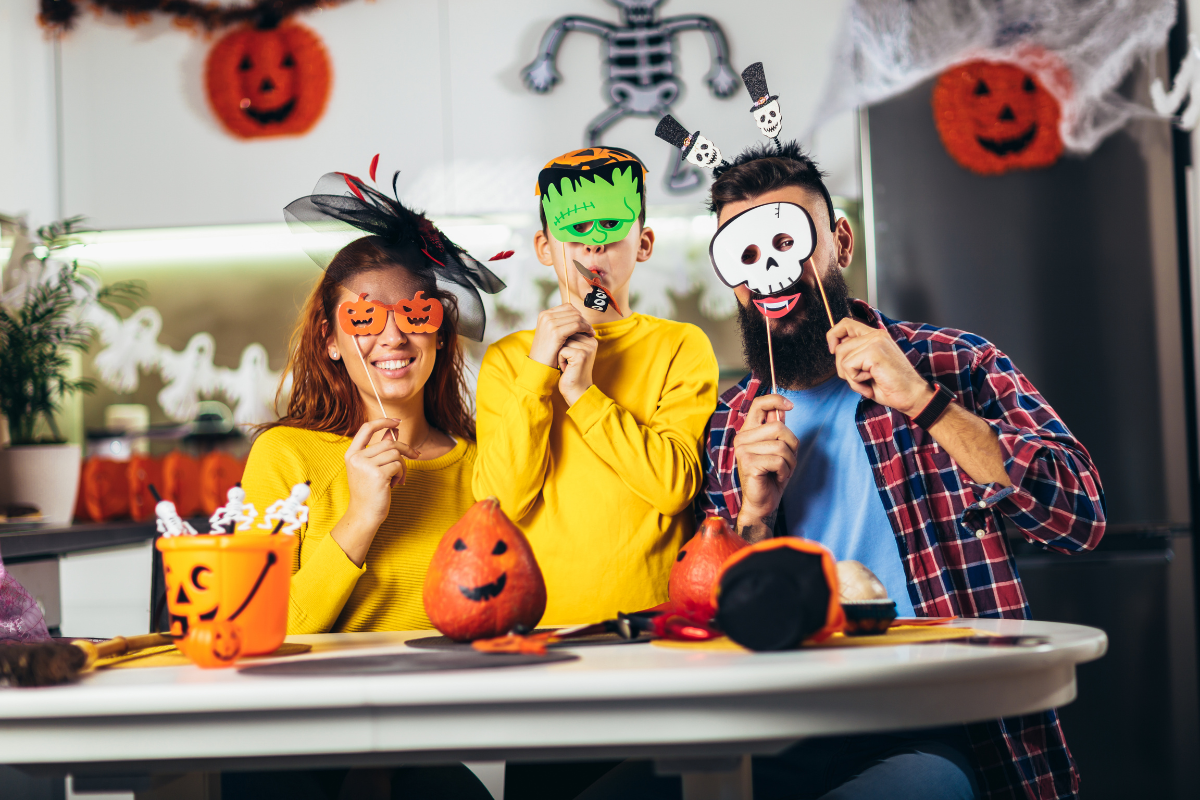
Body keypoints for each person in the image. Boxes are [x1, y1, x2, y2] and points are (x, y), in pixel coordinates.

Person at [690, 143, 1104, 799]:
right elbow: (719, 627)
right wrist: (755, 514)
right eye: (744, 254)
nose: (771, 272)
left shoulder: (955, 363)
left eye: (788, 240)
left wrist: (925, 402)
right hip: (779, 724)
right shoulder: (731, 426)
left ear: (840, 241)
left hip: (935, 723)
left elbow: (1079, 519)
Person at [242, 170, 504, 635]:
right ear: (331, 340)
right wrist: (361, 516)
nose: (394, 337)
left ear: (439, 333)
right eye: (364, 318)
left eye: (415, 314)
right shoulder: (284, 458)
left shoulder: (489, 465)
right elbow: (257, 629)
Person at [473, 147, 719, 624]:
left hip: (659, 619)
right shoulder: (508, 360)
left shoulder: (681, 346)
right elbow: (503, 501)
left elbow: (673, 489)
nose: (593, 247)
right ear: (545, 248)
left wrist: (584, 395)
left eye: (611, 228)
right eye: (577, 230)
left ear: (643, 244)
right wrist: (538, 373)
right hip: (540, 620)